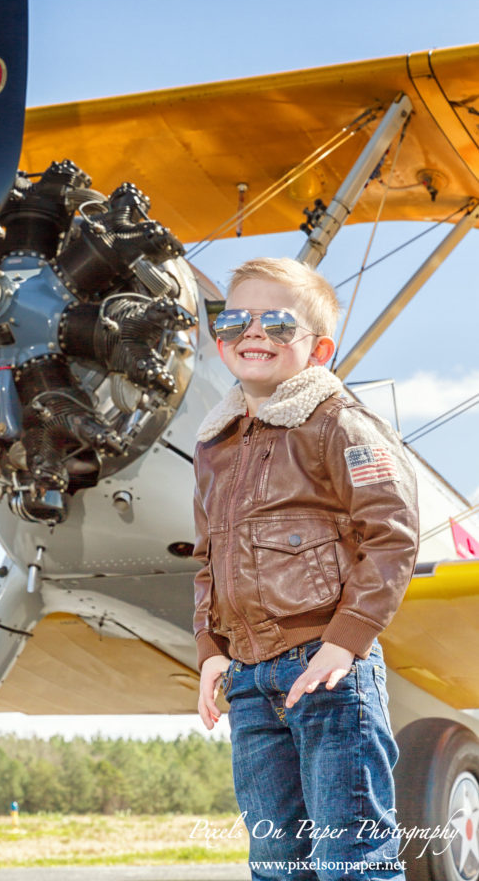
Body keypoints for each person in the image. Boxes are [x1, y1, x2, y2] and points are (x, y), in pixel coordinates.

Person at [193, 257, 418, 881]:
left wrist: (345, 644)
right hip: (248, 677)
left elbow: (393, 535)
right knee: (275, 860)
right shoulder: (214, 446)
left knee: (353, 859)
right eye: (235, 318)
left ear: (318, 349)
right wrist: (211, 647)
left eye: (277, 322)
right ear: (219, 339)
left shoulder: (340, 422)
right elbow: (208, 554)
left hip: (326, 670)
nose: (254, 332)